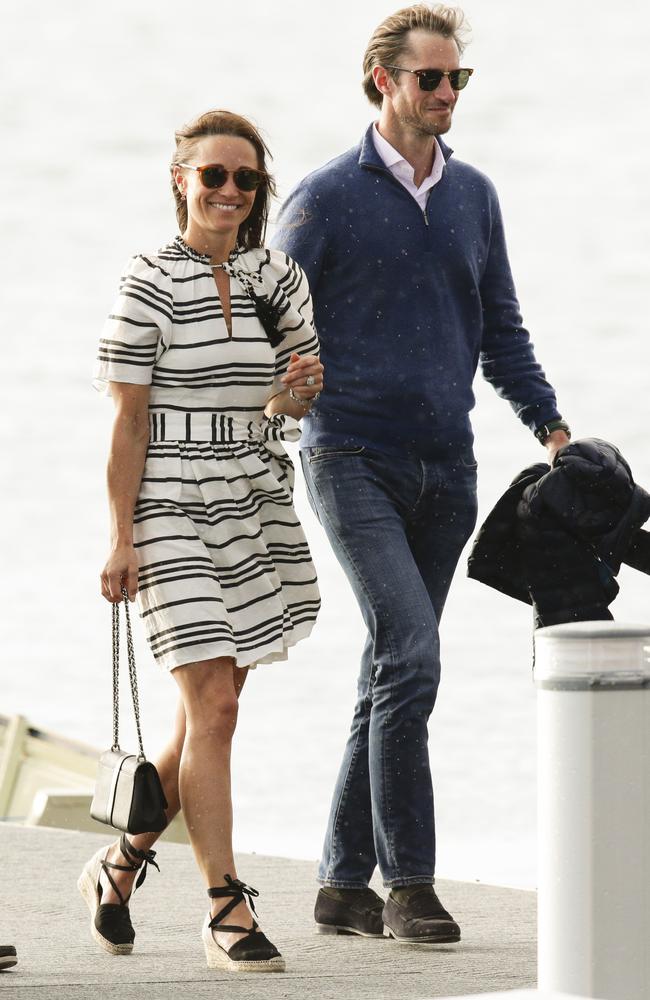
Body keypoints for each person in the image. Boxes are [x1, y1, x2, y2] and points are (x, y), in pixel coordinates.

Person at [272, 3, 570, 943]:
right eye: (429, 79)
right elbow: (270, 324)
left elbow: (501, 327)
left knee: (392, 665)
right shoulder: (322, 199)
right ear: (383, 84)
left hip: (449, 467)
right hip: (350, 457)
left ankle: (339, 884)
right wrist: (276, 398)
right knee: (414, 655)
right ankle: (410, 884)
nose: (446, 94)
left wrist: (552, 428)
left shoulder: (475, 195)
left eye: (457, 80)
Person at [79, 109, 323, 973]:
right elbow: (128, 421)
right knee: (214, 707)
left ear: (259, 192)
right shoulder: (146, 280)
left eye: (244, 179)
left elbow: (289, 403)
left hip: (252, 497)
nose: (227, 191)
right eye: (212, 175)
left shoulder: (278, 275)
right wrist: (120, 538)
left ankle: (120, 864)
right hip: (167, 505)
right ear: (180, 178)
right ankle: (226, 907)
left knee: (207, 713)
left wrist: (297, 392)